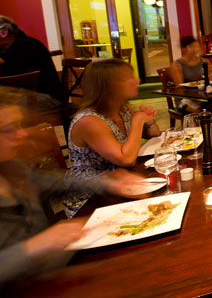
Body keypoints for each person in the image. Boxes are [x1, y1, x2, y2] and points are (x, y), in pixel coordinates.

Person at [0, 86, 142, 287]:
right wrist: (34, 246)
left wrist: (109, 182)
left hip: (52, 274)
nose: (22, 134)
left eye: (20, 124)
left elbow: (57, 183)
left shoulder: (11, 167)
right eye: (8, 129)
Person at [64, 59, 161, 217]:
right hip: (90, 200)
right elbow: (126, 159)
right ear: (107, 86)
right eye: (127, 78)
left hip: (120, 185)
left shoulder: (122, 109)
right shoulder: (88, 121)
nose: (136, 80)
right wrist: (138, 120)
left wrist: (149, 121)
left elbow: (154, 134)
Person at [0, 16, 63, 102]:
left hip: (47, 99)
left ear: (3, 32)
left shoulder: (26, 44)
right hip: (29, 97)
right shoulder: (9, 45)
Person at [170, 35, 205, 113]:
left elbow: (210, 80)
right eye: (191, 47)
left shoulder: (204, 62)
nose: (195, 49)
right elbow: (179, 86)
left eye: (197, 46)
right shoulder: (177, 64)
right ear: (184, 49)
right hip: (185, 99)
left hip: (203, 97)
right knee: (202, 112)